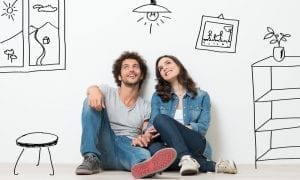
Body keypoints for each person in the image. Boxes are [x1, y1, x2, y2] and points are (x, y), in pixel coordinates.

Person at [75, 51, 177, 178]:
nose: (131, 70)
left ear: (141, 76)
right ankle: (90, 157)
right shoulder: (107, 91)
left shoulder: (146, 106)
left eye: (135, 66)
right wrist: (93, 89)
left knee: (143, 154)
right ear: (119, 76)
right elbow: (92, 93)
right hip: (104, 146)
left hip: (127, 150)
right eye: (126, 67)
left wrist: (145, 137)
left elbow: (146, 131)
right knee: (89, 101)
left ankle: (144, 165)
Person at [139, 55, 237, 175]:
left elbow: (202, 127)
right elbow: (153, 123)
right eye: (160, 68)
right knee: (156, 149)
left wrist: (174, 128)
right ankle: (211, 165)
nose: (164, 68)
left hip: (194, 143)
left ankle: (186, 158)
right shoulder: (157, 96)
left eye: (168, 63)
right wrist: (149, 131)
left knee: (161, 119)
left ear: (179, 66)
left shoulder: (202, 96)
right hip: (166, 145)